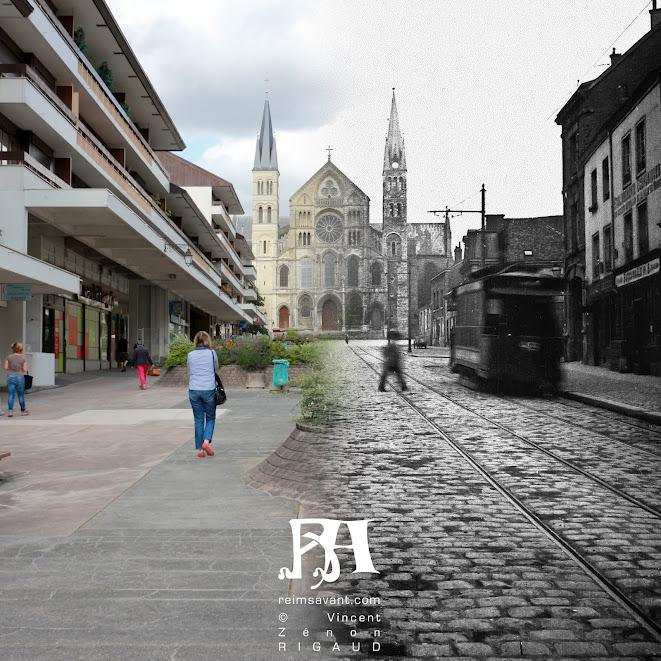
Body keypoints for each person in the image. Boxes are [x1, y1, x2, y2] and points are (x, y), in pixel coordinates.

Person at [187, 331, 218, 458]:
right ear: (207, 341)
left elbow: (189, 371)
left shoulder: (190, 355)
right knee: (210, 417)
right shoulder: (211, 353)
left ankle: (200, 449)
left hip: (193, 389)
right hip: (208, 389)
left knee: (198, 419)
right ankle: (206, 442)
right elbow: (216, 368)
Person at [4, 341, 29, 417]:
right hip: (20, 377)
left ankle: (10, 412)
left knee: (11, 395)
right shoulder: (23, 358)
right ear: (21, 349)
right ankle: (23, 411)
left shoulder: (9, 357)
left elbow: (5, 367)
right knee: (21, 395)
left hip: (10, 377)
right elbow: (25, 369)